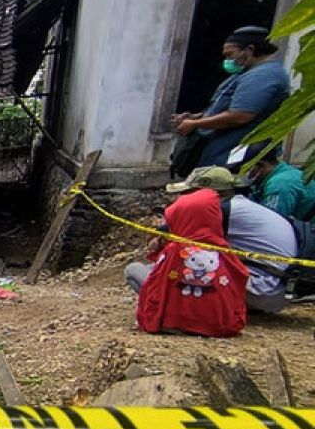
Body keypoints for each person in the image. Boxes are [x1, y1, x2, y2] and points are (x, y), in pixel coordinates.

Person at [126, 166, 297, 313]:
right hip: (278, 287)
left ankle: (183, 314)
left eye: (189, 193)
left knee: (138, 272)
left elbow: (178, 251)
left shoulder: (220, 212)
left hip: (264, 287)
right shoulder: (240, 207)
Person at [131, 187, 248, 337]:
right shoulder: (224, 251)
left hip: (176, 322)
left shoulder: (174, 250)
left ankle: (176, 321)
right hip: (220, 326)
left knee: (135, 270)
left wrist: (145, 317)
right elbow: (240, 278)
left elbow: (154, 286)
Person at [174, 26, 291, 169]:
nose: (227, 60)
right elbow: (224, 104)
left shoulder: (265, 75)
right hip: (221, 152)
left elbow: (240, 116)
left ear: (249, 50)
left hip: (238, 154)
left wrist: (196, 124)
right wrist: (197, 117)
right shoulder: (248, 73)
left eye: (230, 54)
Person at [238, 141, 315, 220]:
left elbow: (269, 221)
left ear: (260, 165)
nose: (240, 174)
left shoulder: (279, 185)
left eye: (244, 169)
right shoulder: (283, 171)